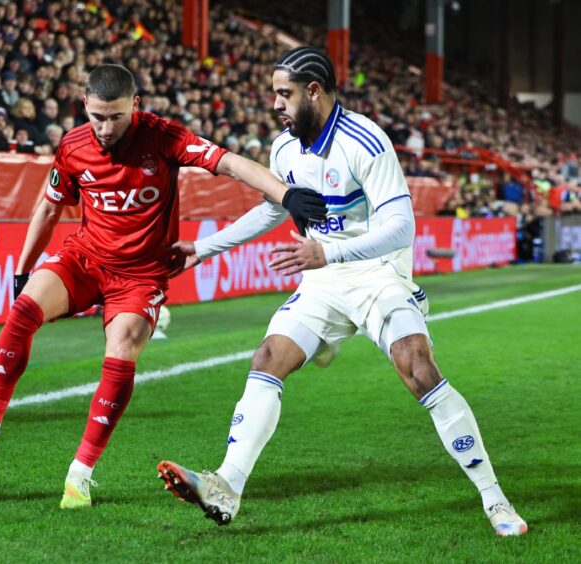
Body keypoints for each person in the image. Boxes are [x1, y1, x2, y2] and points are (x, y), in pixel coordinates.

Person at [156, 47, 528, 537]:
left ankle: (494, 499)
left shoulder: (365, 140)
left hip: (378, 276)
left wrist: (327, 254)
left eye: (284, 94)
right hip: (325, 281)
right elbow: (275, 208)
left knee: (419, 369)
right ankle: (227, 485)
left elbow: (401, 228)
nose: (275, 105)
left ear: (314, 91)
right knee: (268, 357)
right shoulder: (286, 148)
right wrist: (205, 249)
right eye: (273, 94)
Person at [0, 63, 325, 510]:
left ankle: (79, 474)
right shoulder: (73, 146)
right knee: (24, 308)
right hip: (86, 258)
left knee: (121, 348)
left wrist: (286, 195)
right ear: (84, 105)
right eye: (97, 116)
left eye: (116, 117)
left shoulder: (161, 136)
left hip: (141, 276)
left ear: (135, 106)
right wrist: (23, 270)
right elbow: (47, 210)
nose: (105, 127)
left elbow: (229, 162)